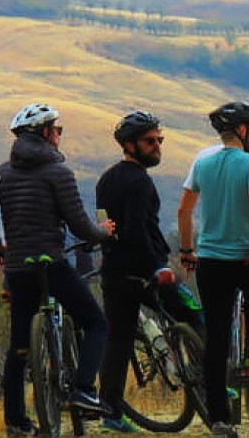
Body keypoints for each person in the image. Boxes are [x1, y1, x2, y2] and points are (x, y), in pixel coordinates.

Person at [0, 103, 116, 438]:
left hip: (19, 268)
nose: (59, 136)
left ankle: (16, 423)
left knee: (19, 349)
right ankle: (83, 390)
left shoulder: (3, 172)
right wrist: (104, 230)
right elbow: (82, 227)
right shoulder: (58, 173)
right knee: (96, 323)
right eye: (57, 130)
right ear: (46, 133)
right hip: (52, 265)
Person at [96, 110, 205, 433]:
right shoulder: (140, 182)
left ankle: (111, 414)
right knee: (193, 314)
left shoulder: (106, 179)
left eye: (159, 140)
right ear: (129, 145)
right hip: (146, 274)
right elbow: (138, 230)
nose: (157, 146)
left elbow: (107, 225)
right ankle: (211, 386)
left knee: (118, 342)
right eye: (149, 141)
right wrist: (158, 266)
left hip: (114, 273)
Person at [177, 100, 249, 438]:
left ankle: (219, 418)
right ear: (243, 130)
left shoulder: (202, 163)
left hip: (210, 261)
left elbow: (184, 211)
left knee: (217, 336)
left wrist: (188, 250)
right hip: (243, 259)